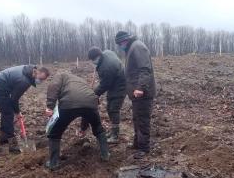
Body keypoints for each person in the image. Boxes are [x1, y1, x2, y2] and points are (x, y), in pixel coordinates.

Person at [45, 72, 110, 170]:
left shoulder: (60, 75)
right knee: (98, 128)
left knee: (55, 133)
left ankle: (53, 163)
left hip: (69, 103)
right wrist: (83, 129)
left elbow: (54, 87)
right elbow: (85, 111)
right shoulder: (81, 81)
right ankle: (105, 155)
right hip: (91, 103)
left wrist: (50, 106)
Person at [0, 65, 50, 153]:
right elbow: (14, 99)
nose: (41, 81)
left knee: (6, 112)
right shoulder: (24, 81)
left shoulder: (28, 70)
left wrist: (17, 111)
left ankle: (3, 139)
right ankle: (12, 145)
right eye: (41, 79)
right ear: (37, 72)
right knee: (8, 114)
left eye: (43, 80)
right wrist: (17, 112)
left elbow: (13, 98)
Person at [115, 31, 156, 159]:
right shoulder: (131, 48)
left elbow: (145, 69)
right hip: (136, 94)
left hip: (142, 93)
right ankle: (138, 143)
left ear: (125, 40)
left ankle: (144, 148)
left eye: (120, 43)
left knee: (142, 120)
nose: (120, 46)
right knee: (136, 118)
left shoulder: (137, 47)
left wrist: (140, 88)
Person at [86, 47, 126, 143]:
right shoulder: (106, 52)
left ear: (98, 57)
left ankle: (115, 136)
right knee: (109, 107)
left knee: (113, 109)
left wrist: (94, 94)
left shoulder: (107, 67)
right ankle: (113, 131)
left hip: (120, 85)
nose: (92, 62)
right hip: (115, 81)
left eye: (93, 60)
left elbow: (105, 85)